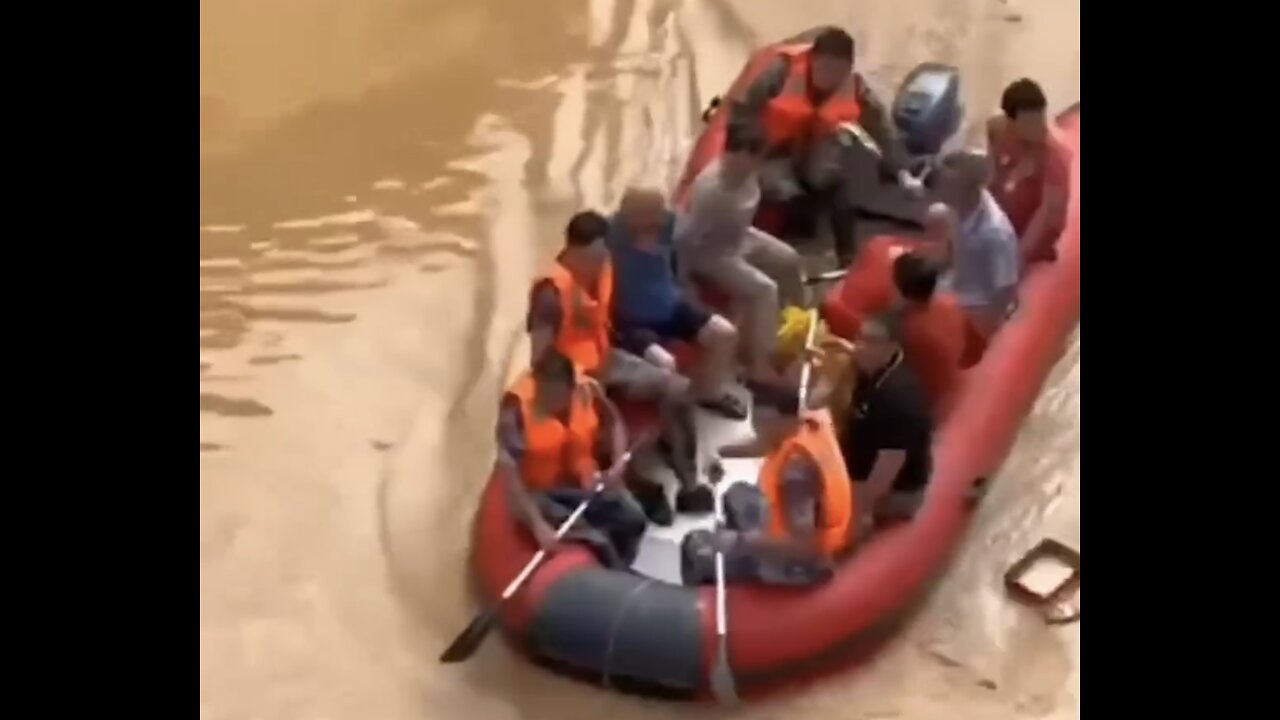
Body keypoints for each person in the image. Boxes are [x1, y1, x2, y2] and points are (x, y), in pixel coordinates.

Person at [527, 210, 703, 506]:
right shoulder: (550, 294)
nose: (598, 263)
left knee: (679, 390)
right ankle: (637, 488)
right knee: (600, 431)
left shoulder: (604, 267)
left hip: (607, 359)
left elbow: (611, 320)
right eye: (593, 257)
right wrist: (572, 390)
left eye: (602, 255)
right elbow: (539, 359)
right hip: (571, 376)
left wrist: (646, 348)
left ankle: (688, 479)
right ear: (574, 250)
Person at [726, 26, 920, 264]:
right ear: (812, 60)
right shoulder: (780, 73)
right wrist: (741, 155)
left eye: (836, 71)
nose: (828, 77)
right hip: (774, 151)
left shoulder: (856, 87)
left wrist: (902, 171)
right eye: (823, 67)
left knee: (834, 182)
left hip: (816, 148)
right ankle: (793, 241)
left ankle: (847, 256)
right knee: (784, 192)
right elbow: (744, 111)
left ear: (847, 69)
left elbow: (882, 129)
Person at [494, 349, 648, 569]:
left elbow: (614, 422)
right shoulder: (515, 411)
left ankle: (624, 563)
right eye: (542, 394)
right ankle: (615, 573)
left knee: (634, 518)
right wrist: (537, 524)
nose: (545, 403)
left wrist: (617, 465)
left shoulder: (586, 389)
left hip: (582, 483)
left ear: (570, 389)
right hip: (540, 494)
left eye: (554, 396)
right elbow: (510, 477)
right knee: (598, 541)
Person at [674, 129, 804, 384]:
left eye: (752, 159)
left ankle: (796, 319)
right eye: (735, 156)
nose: (741, 164)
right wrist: (683, 279)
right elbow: (684, 238)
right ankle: (762, 362)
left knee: (789, 258)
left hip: (741, 236)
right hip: (712, 253)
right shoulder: (711, 192)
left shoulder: (750, 175)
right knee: (765, 289)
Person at [607, 187, 746, 420]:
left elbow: (693, 231)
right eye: (651, 217)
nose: (658, 222)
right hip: (633, 322)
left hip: (672, 307)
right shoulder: (612, 235)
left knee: (725, 334)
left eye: (659, 215)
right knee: (666, 364)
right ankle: (671, 424)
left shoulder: (668, 225)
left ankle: (708, 393)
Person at [681, 406, 857, 587]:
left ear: (776, 421)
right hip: (790, 522)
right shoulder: (805, 425)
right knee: (737, 494)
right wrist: (718, 454)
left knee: (695, 547)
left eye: (759, 424)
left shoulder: (797, 472)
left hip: (802, 562)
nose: (755, 428)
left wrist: (739, 541)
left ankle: (716, 590)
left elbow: (805, 547)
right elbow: (763, 443)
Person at [839, 312, 934, 521]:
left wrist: (855, 512)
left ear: (891, 347)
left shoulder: (898, 401)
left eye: (871, 342)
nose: (859, 347)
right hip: (856, 466)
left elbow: (885, 473)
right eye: (859, 338)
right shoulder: (873, 369)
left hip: (895, 489)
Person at [985, 79, 1072, 267]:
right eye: (1030, 123)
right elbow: (990, 175)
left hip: (1032, 233)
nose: (1038, 128)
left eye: (1040, 118)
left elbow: (1048, 214)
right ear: (1011, 121)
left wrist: (1018, 255)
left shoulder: (1054, 157)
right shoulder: (997, 130)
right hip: (1001, 221)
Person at [933, 154, 1021, 338]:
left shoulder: (995, 233)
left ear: (969, 191)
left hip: (977, 301)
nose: (941, 190)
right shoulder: (957, 205)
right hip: (956, 282)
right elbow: (953, 239)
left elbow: (1006, 287)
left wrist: (986, 330)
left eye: (948, 186)